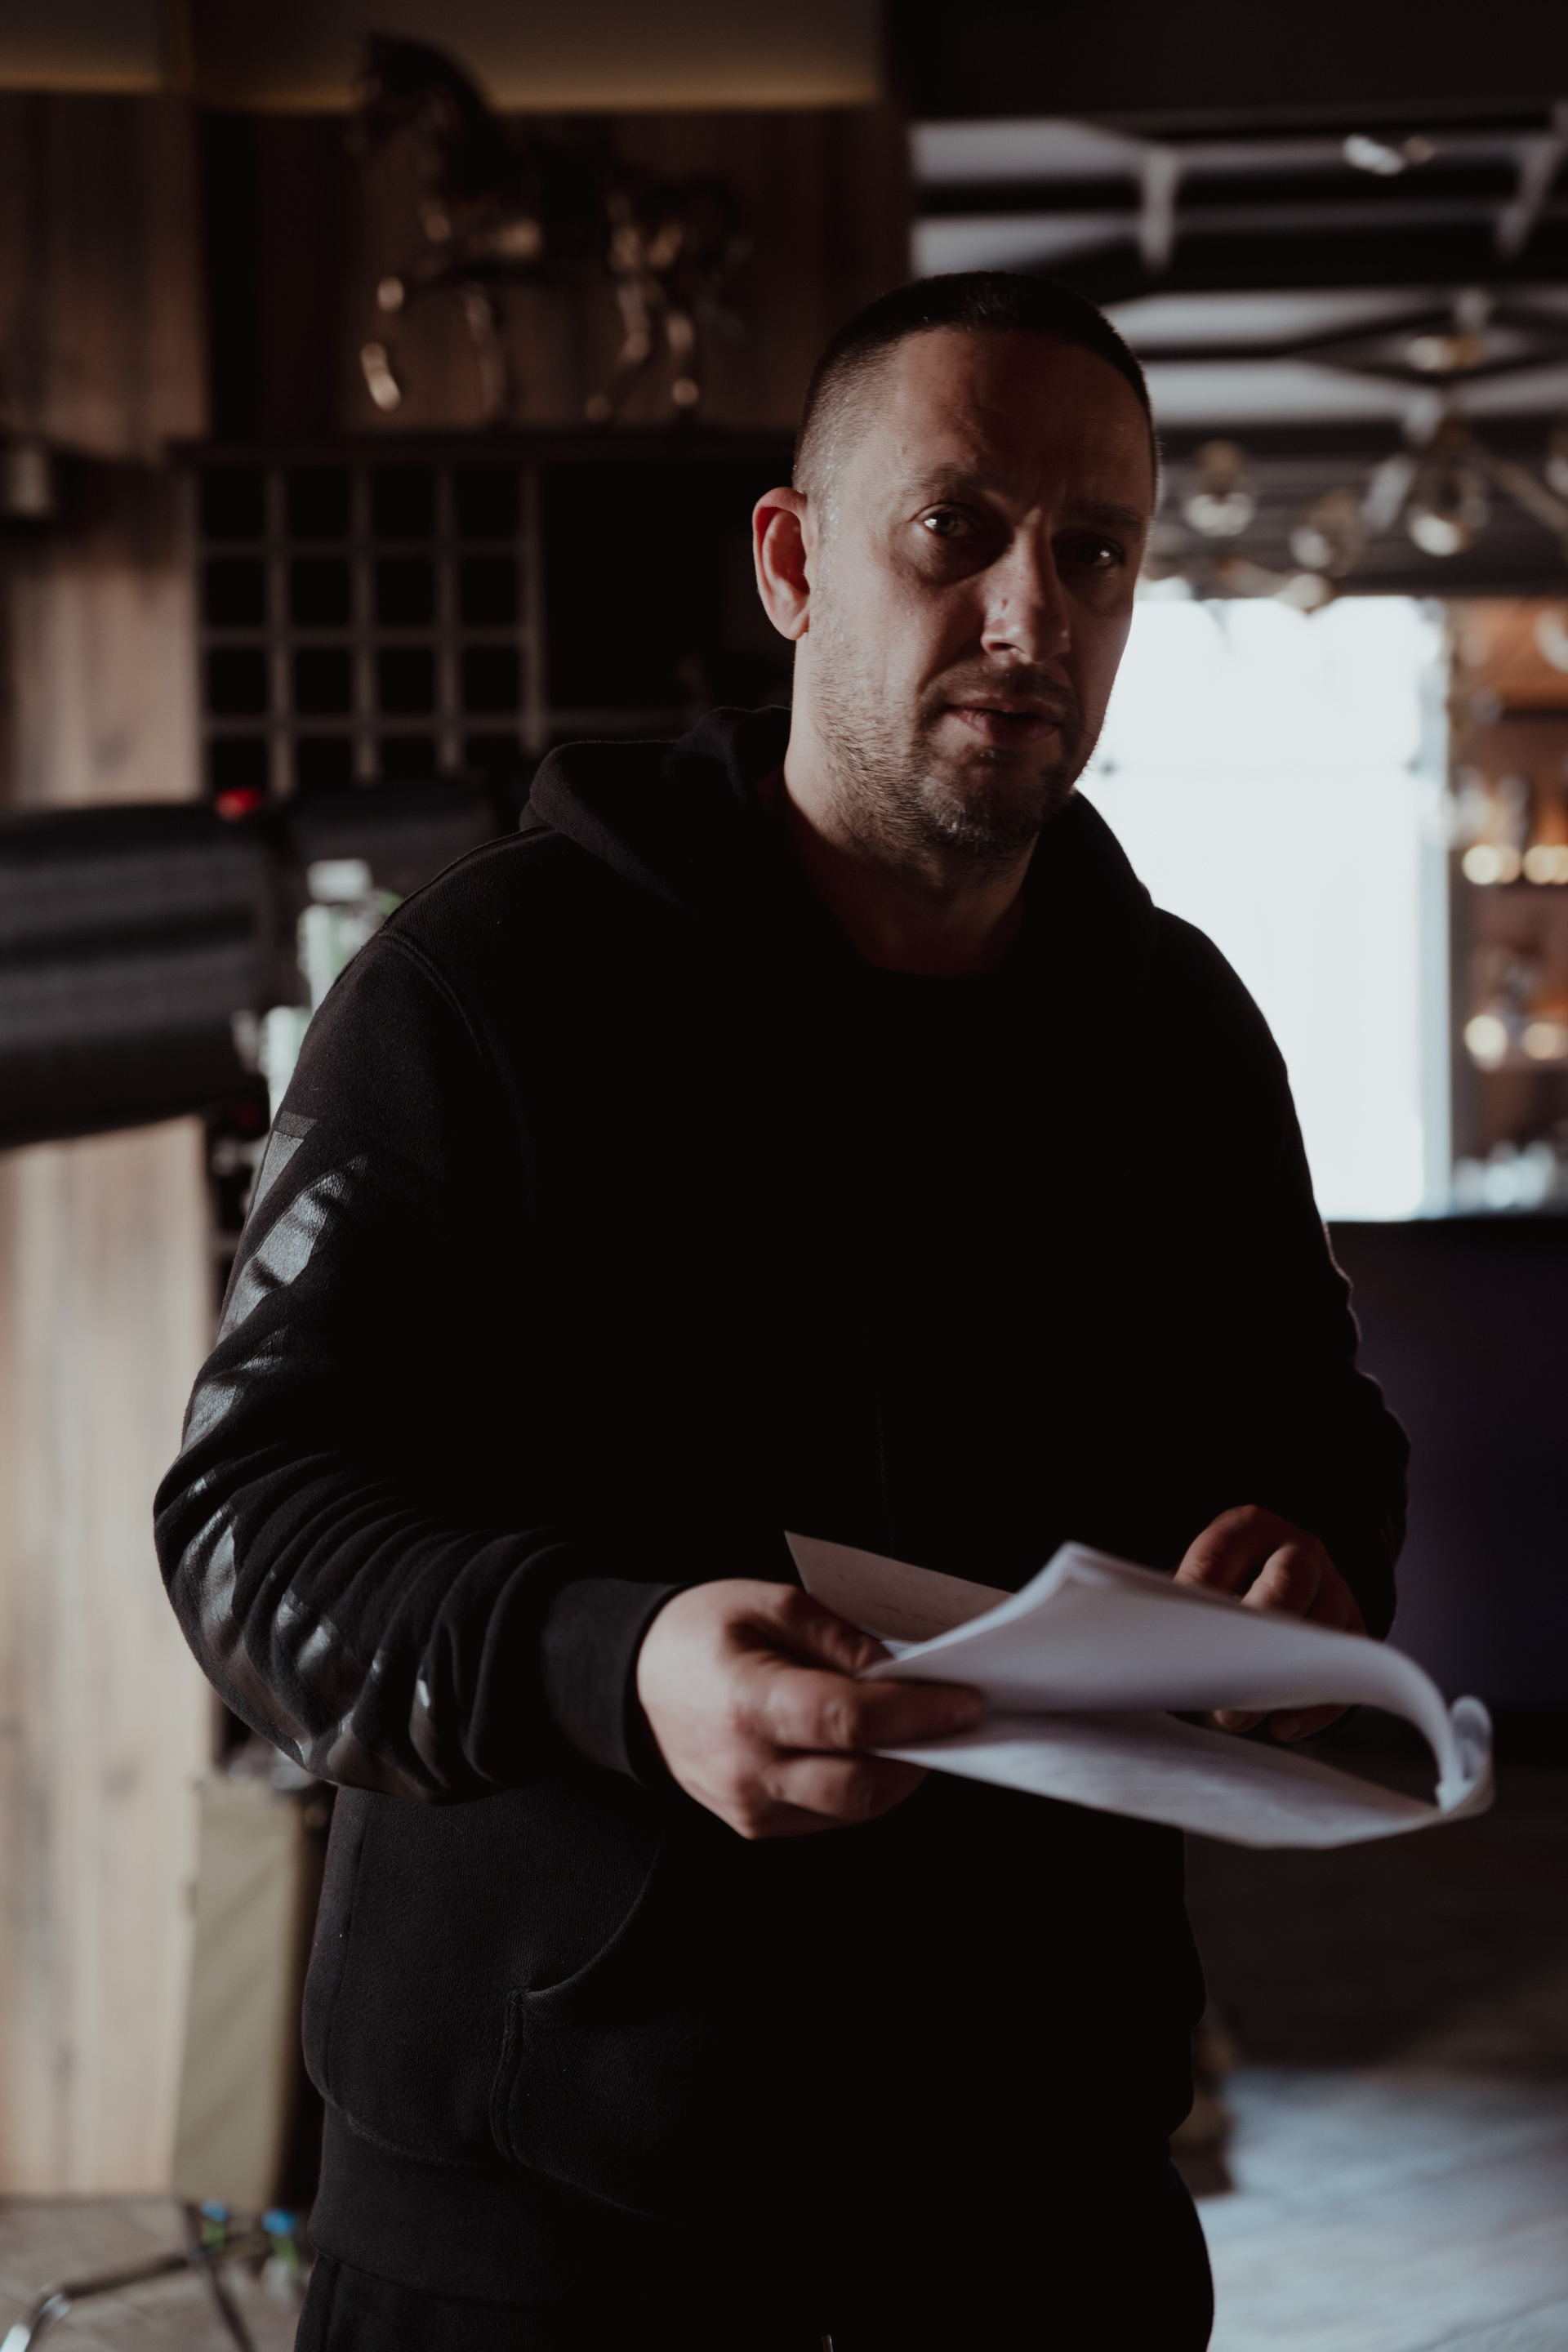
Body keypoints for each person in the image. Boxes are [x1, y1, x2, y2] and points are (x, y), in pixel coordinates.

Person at [155, 272, 1406, 2351]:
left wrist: (1311, 1558)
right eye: (958, 530)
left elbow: (1314, 1424)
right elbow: (248, 1528)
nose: (1033, 613)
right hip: (539, 2242)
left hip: (1046, 2218)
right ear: (793, 563)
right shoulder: (485, 991)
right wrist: (617, 1660)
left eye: (1096, 554)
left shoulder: (1182, 1031)